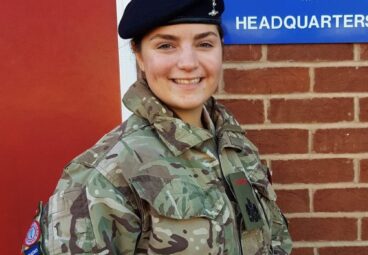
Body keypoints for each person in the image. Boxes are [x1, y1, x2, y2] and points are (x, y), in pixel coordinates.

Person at [21, 0, 293, 254]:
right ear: (138, 55)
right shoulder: (106, 174)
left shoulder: (234, 146)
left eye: (205, 44)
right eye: (166, 46)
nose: (188, 63)